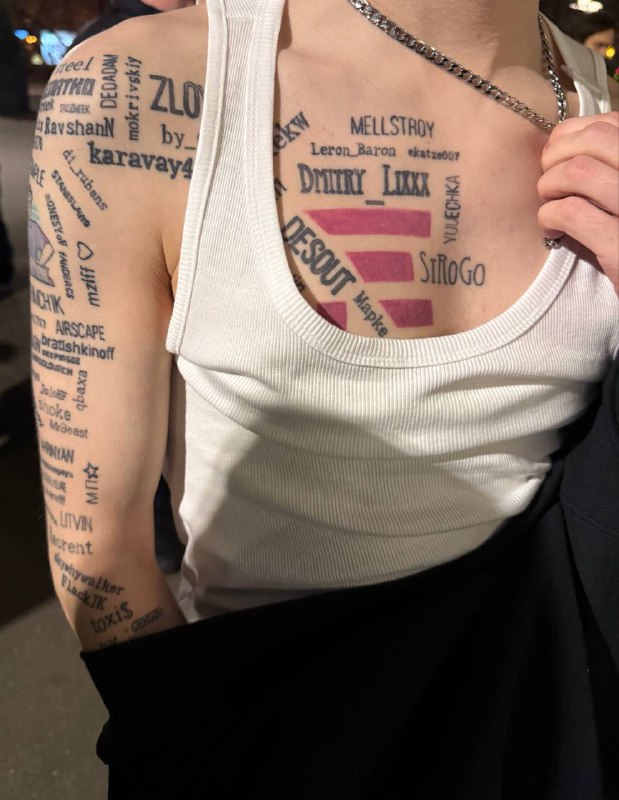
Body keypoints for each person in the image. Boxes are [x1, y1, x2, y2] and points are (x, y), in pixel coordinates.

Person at [29, 0, 618, 796]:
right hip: (268, 745)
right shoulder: (143, 85)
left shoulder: (596, 97)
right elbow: (100, 555)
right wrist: (200, 748)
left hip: (549, 729)